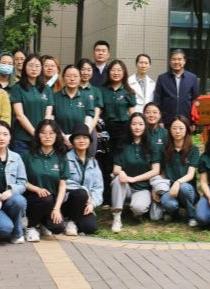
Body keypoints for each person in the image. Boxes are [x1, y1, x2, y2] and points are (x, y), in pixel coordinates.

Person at [109, 112, 160, 232]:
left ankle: (136, 213)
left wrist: (134, 179)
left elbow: (156, 170)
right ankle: (117, 217)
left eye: (141, 124)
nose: (137, 127)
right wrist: (120, 173)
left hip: (142, 188)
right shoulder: (122, 145)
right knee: (117, 180)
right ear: (129, 126)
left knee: (138, 208)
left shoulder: (152, 145)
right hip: (125, 186)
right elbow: (116, 169)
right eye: (134, 124)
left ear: (145, 126)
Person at [23, 119, 69, 241]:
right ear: (38, 135)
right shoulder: (28, 155)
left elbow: (62, 185)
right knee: (45, 199)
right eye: (43, 132)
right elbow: (21, 181)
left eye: (51, 133)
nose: (47, 136)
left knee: (58, 227)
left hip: (51, 201)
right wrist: (37, 189)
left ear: (57, 135)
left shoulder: (61, 157)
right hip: (32, 199)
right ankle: (31, 227)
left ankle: (42, 223)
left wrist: (57, 208)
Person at [151, 115, 199, 225]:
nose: (177, 131)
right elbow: (162, 173)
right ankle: (173, 212)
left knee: (184, 187)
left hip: (188, 189)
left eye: (181, 128)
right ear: (170, 130)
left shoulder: (193, 150)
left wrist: (178, 182)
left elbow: (190, 174)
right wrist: (155, 188)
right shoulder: (164, 150)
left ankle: (191, 216)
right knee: (169, 204)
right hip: (170, 189)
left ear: (187, 130)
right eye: (174, 128)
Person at [100, 59, 137, 187]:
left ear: (124, 72)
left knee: (120, 159)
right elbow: (98, 111)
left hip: (123, 130)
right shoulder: (102, 90)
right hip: (105, 129)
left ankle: (121, 188)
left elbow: (133, 114)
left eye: (119, 70)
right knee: (106, 160)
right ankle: (106, 193)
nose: (116, 73)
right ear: (108, 72)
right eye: (113, 70)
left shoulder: (129, 92)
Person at [9, 53, 54, 155]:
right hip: (22, 140)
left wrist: (42, 134)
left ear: (41, 68)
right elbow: (20, 115)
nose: (34, 69)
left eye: (37, 66)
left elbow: (48, 115)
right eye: (31, 65)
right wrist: (35, 133)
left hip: (42, 139)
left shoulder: (46, 89)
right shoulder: (17, 88)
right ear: (25, 67)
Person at [64, 124, 103, 235]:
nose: (82, 141)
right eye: (78, 138)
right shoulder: (65, 159)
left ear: (89, 141)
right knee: (80, 193)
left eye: (85, 138)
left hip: (86, 203)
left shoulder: (93, 162)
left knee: (90, 228)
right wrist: (85, 190)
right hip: (68, 201)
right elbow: (64, 182)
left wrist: (92, 204)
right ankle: (70, 221)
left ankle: (75, 222)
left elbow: (98, 187)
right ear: (72, 141)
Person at [153, 48, 200, 125]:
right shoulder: (162, 78)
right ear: (170, 61)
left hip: (186, 121)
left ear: (184, 61)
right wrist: (160, 121)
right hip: (166, 121)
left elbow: (195, 100)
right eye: (174, 59)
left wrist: (193, 122)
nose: (176, 62)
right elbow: (157, 101)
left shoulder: (192, 78)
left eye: (179, 59)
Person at [54, 65, 94, 147]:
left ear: (80, 78)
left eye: (75, 76)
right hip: (59, 140)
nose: (72, 79)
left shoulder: (86, 97)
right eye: (68, 76)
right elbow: (52, 120)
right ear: (63, 78)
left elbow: (88, 120)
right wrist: (63, 137)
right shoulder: (55, 97)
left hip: (80, 142)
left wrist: (77, 137)